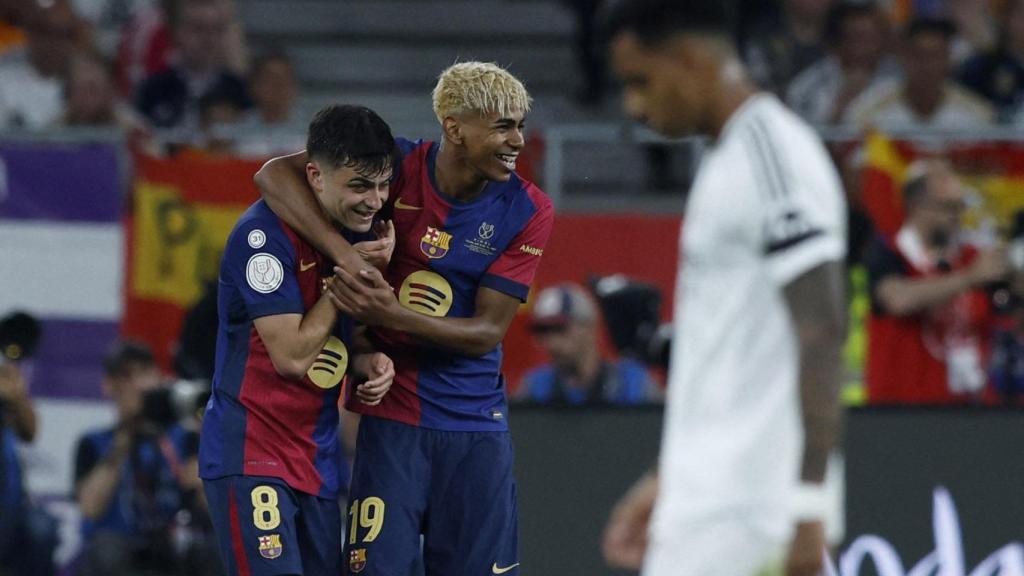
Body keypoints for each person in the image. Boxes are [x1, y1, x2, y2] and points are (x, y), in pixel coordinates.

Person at [254, 61, 554, 576]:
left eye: (520, 125)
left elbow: (485, 334)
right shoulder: (394, 165)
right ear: (455, 127)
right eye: (504, 126)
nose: (518, 141)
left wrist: (389, 313)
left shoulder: (528, 208)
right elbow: (273, 175)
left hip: (474, 425)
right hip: (393, 421)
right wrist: (344, 256)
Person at [599, 2, 848, 575]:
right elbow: (726, 357)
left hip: (750, 514)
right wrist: (670, 478)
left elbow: (824, 330)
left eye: (642, 81)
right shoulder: (726, 159)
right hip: (705, 507)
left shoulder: (774, 156)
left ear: (689, 59)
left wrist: (811, 508)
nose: (635, 106)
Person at [199, 104, 398, 576]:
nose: (374, 200)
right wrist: (350, 274)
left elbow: (337, 340)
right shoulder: (262, 240)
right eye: (358, 185)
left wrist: (367, 359)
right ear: (315, 175)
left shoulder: (355, 233)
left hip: (317, 459)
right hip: (252, 453)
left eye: (382, 185)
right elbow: (291, 356)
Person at [865, 159, 1006, 405]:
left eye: (960, 207)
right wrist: (969, 278)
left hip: (968, 411)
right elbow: (897, 299)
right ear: (917, 206)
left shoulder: (970, 257)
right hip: (899, 413)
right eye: (948, 207)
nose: (956, 217)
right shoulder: (888, 252)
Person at [73, 340, 205, 576]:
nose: (138, 386)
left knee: (211, 550)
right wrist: (125, 437)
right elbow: (90, 508)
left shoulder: (183, 437)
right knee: (106, 550)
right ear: (109, 386)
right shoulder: (94, 442)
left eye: (145, 373)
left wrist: (209, 442)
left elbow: (207, 504)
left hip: (172, 541)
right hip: (119, 544)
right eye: (127, 377)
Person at [517, 283, 660, 405]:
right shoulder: (535, 388)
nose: (550, 341)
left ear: (589, 328)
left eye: (560, 329)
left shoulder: (633, 383)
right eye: (542, 331)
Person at [844, 15, 994, 129]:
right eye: (919, 55)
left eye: (935, 56)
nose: (927, 65)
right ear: (903, 56)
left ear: (949, 59)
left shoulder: (977, 115)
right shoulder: (867, 113)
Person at [134, 0, 250, 143]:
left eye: (216, 29)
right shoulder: (152, 89)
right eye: (198, 28)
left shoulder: (239, 90)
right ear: (176, 31)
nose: (208, 38)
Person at [786, 0, 898, 126]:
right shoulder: (807, 87)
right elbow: (805, 138)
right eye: (858, 38)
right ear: (838, 41)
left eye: (874, 37)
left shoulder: (899, 79)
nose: (868, 46)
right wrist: (843, 102)